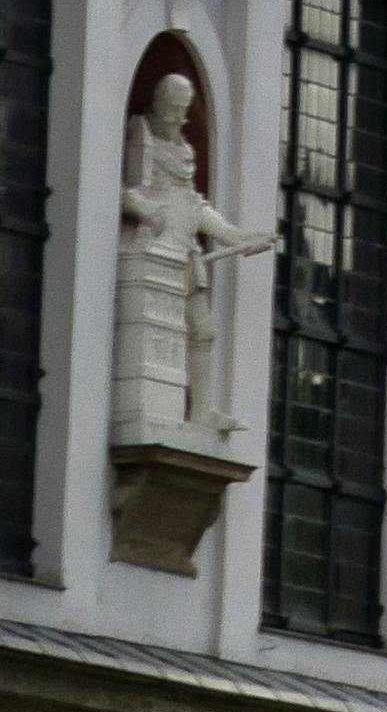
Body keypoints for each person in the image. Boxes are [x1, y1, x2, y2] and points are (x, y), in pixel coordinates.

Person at [113, 68, 272, 442]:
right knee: (158, 338)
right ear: (159, 104)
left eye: (183, 111)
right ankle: (155, 406)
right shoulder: (142, 135)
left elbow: (193, 206)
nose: (178, 119)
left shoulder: (184, 150)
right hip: (153, 251)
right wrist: (144, 209)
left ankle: (200, 412)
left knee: (203, 333)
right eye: (173, 109)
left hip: (186, 252)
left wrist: (236, 235)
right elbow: (124, 190)